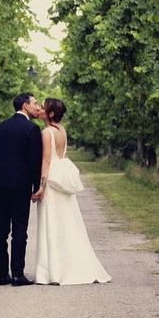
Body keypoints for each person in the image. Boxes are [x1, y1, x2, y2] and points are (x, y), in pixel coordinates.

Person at [32, 98, 111, 285]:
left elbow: (46, 161)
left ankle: (53, 272)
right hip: (63, 182)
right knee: (68, 223)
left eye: (43, 107)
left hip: (52, 182)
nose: (40, 110)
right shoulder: (62, 130)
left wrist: (41, 186)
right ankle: (70, 267)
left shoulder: (47, 132)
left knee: (51, 223)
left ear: (51, 113)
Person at [0, 92, 42, 286]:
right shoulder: (32, 129)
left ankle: (3, 275)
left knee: (0, 230)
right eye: (35, 103)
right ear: (25, 105)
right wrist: (36, 187)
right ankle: (17, 274)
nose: (37, 107)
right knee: (19, 230)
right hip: (20, 186)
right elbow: (34, 162)